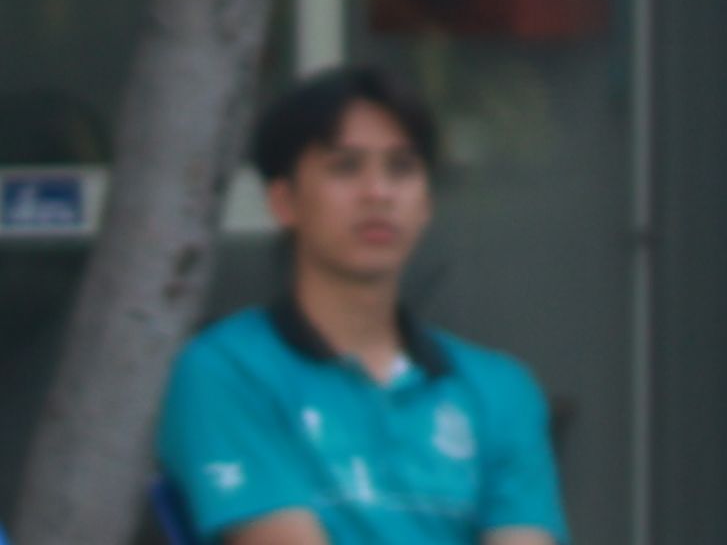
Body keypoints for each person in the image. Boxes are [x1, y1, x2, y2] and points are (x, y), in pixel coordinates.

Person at [155, 66, 563, 545]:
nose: (378, 193)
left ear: (427, 202)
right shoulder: (224, 370)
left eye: (401, 168)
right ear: (284, 201)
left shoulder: (501, 390)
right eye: (346, 167)